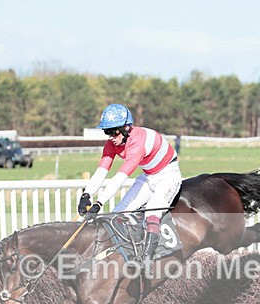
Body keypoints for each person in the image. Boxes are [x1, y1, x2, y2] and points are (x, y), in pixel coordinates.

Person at [78, 104, 182, 268]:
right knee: (117, 214)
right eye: (107, 132)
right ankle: (122, 252)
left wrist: (99, 203)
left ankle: (147, 261)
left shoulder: (137, 143)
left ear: (126, 127)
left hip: (168, 175)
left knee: (152, 212)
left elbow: (120, 177)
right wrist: (87, 195)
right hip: (148, 175)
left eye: (113, 131)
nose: (111, 136)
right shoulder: (112, 143)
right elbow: (102, 170)